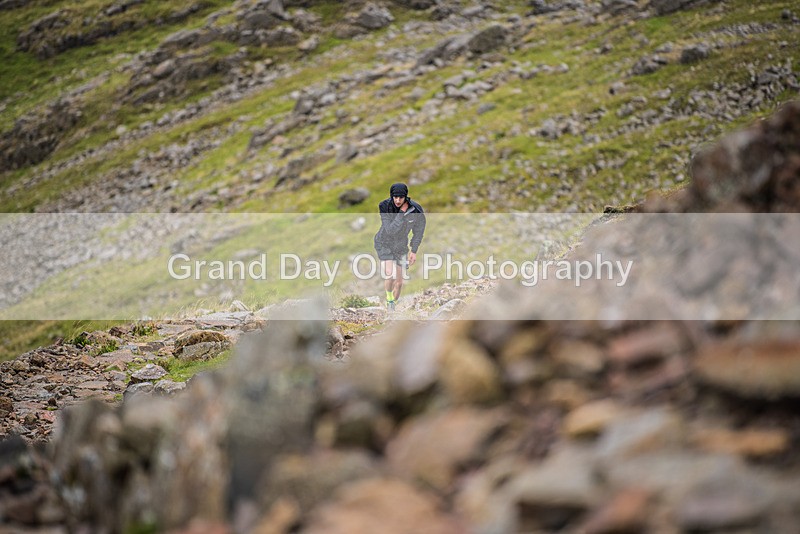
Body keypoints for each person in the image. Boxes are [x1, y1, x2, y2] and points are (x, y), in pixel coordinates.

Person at [373, 182, 426, 310]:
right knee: (390, 275)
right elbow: (390, 230)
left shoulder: (416, 210)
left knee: (400, 282)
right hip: (384, 242)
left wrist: (414, 250)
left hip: (400, 246)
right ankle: (389, 301)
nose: (397, 200)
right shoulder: (384, 206)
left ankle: (393, 304)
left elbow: (419, 232)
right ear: (392, 196)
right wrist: (402, 213)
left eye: (400, 197)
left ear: (405, 197)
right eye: (395, 197)